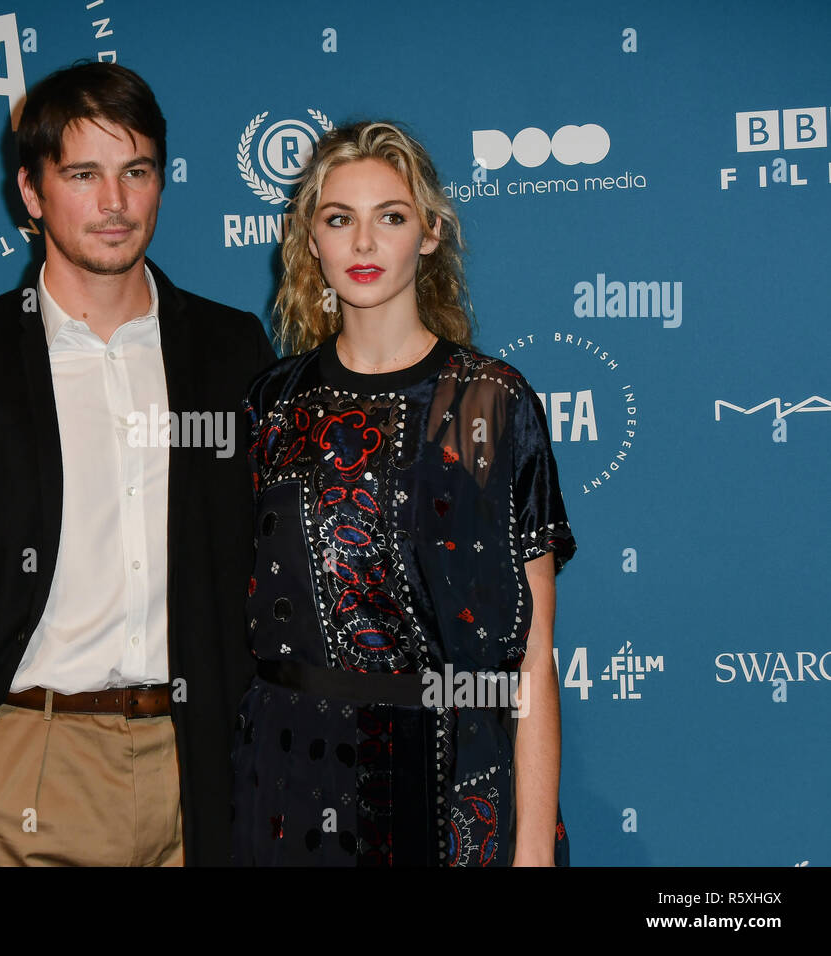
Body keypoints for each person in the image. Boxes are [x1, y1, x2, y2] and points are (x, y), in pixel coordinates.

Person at [0, 62, 275, 866]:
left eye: (136, 172)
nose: (114, 203)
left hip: (197, 772)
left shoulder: (232, 351)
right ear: (32, 190)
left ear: (161, 182)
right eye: (83, 174)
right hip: (23, 766)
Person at [233, 120, 574, 866]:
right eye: (338, 219)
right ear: (309, 241)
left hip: (450, 766)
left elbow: (534, 655)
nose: (363, 243)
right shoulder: (272, 403)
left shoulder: (490, 402)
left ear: (428, 234)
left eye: (389, 216)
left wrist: (532, 852)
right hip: (291, 772)